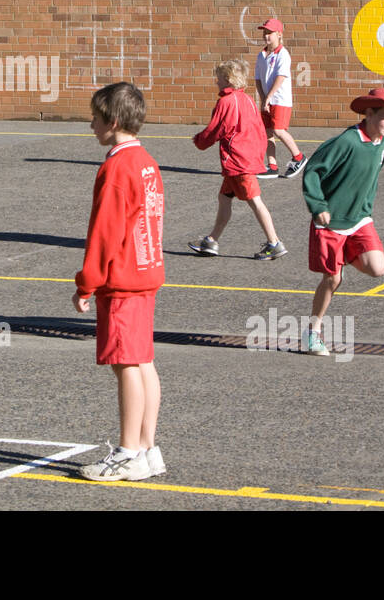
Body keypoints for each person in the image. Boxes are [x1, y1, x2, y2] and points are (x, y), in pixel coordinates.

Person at [73, 82, 166, 482]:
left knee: (125, 364)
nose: (90, 125)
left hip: (123, 278)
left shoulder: (116, 167)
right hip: (146, 271)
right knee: (143, 361)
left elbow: (105, 231)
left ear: (111, 122)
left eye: (94, 118)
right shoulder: (146, 160)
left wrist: (87, 282)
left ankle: (128, 452)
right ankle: (147, 449)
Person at [300, 88, 384, 356]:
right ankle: (313, 333)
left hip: (360, 218)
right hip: (331, 221)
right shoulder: (346, 142)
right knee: (332, 280)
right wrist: (318, 206)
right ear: (369, 113)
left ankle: (344, 257)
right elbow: (313, 171)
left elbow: (375, 167)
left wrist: (363, 200)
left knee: (377, 268)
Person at [188, 59, 287, 260]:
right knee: (224, 199)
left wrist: (199, 140)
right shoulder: (248, 100)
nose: (216, 82)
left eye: (219, 78)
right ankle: (211, 240)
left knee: (255, 201)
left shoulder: (226, 102)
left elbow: (215, 129)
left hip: (238, 161)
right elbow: (259, 130)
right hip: (243, 159)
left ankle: (274, 242)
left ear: (227, 79)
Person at [254, 18, 306, 179]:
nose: (266, 36)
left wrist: (269, 96)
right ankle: (272, 166)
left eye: (270, 33)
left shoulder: (283, 54)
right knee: (267, 132)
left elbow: (281, 76)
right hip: (267, 101)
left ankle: (299, 157)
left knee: (278, 130)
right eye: (265, 33)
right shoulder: (261, 55)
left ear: (279, 34)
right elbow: (257, 79)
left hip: (280, 100)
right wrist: (263, 99)